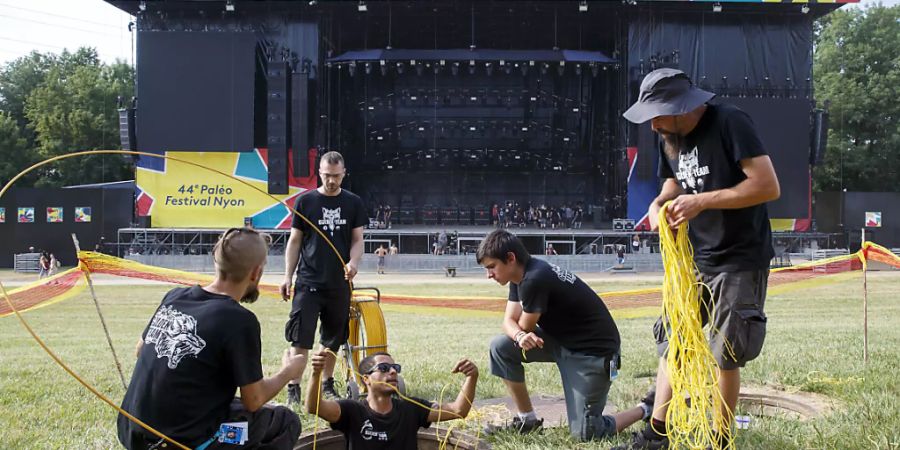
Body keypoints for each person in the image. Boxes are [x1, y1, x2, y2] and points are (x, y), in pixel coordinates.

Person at [617, 68, 780, 449]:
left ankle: (720, 439)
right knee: (676, 341)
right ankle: (658, 434)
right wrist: (659, 206)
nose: (653, 125)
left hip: (739, 257)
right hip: (695, 258)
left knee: (726, 351)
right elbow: (673, 184)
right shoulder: (668, 137)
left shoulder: (730, 122)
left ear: (680, 107)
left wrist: (701, 201)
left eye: (657, 115)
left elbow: (767, 185)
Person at [118, 228, 303, 450]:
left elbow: (140, 349)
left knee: (238, 408)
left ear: (217, 263)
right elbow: (253, 400)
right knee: (284, 420)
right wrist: (289, 372)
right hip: (181, 443)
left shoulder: (175, 297)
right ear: (255, 273)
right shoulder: (239, 320)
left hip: (132, 433)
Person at [477, 230, 650, 441]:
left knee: (587, 433)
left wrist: (521, 334)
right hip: (562, 340)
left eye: (491, 267)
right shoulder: (519, 276)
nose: (489, 275)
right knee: (500, 347)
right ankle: (527, 420)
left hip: (592, 353)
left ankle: (646, 407)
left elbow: (523, 325)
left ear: (510, 258)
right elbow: (508, 323)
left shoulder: (534, 278)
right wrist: (520, 335)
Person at [280, 151, 367, 405]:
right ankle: (294, 387)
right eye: (327, 176)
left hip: (339, 285)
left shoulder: (353, 203)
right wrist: (287, 276)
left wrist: (354, 262)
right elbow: (294, 241)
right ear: (319, 173)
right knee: (300, 339)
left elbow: (357, 240)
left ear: (344, 174)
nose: (331, 181)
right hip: (308, 283)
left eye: (336, 176)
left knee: (332, 340)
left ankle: (327, 384)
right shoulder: (305, 202)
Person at [305, 351, 478, 449]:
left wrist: (472, 376)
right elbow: (314, 407)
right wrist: (316, 374)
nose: (393, 372)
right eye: (384, 368)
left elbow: (458, 410)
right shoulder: (352, 410)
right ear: (366, 379)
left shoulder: (411, 408)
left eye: (395, 368)